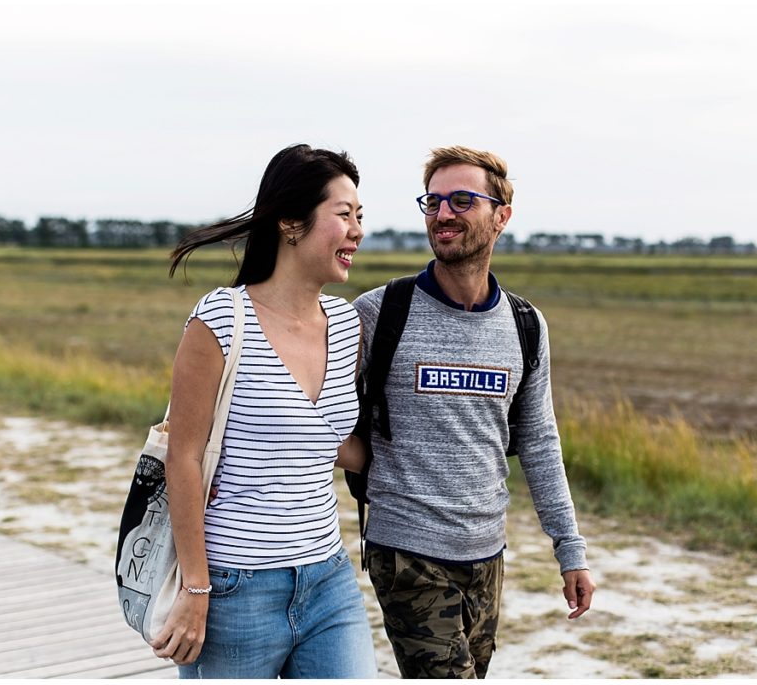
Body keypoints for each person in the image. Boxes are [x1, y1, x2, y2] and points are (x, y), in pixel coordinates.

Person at [351, 145, 596, 678]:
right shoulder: (378, 313)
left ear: (501, 216)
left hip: (487, 551)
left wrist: (569, 550)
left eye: (462, 200)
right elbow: (319, 419)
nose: (443, 215)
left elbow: (538, 441)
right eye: (433, 202)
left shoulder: (525, 325)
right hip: (405, 550)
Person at [153, 144, 376, 679]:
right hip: (234, 587)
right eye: (343, 215)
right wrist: (195, 587)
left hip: (327, 580)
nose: (357, 231)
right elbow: (181, 457)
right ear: (291, 224)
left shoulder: (347, 327)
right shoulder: (222, 319)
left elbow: (328, 440)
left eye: (360, 217)